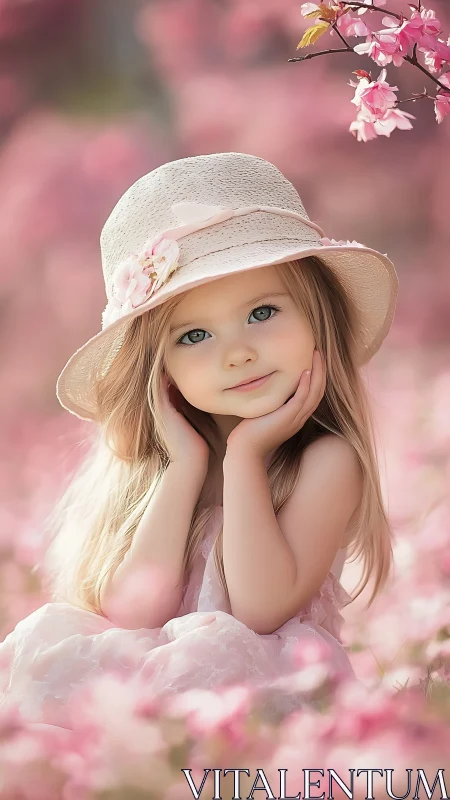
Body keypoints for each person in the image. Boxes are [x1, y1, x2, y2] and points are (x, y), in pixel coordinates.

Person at [0, 152, 398, 730]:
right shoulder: (167, 469)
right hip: (165, 689)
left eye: (262, 312)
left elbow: (260, 609)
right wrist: (185, 465)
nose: (236, 353)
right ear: (160, 371)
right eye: (193, 336)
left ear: (318, 315)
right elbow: (134, 612)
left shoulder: (326, 460)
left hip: (263, 695)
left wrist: (246, 457)